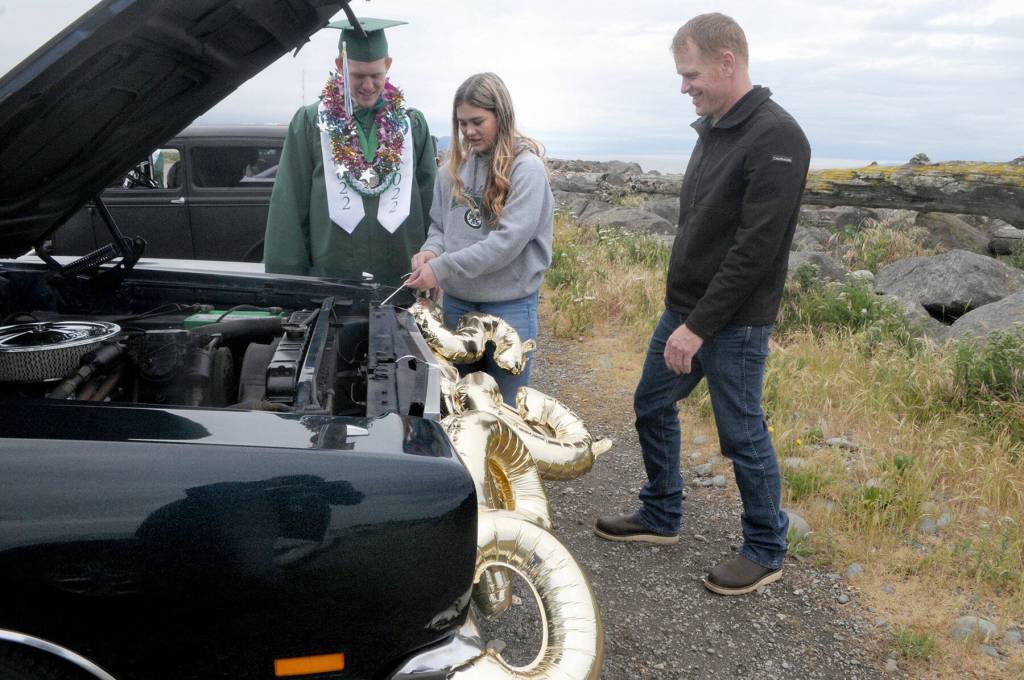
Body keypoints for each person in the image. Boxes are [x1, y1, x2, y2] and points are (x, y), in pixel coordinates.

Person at [593, 13, 810, 596]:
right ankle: (662, 514)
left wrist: (698, 328)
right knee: (651, 404)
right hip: (685, 311)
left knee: (741, 434)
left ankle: (766, 548)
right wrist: (682, 317)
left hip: (732, 324)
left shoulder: (777, 137)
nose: (684, 86)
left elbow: (755, 251)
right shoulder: (716, 126)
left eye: (690, 74)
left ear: (726, 63)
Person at [405, 73, 553, 406]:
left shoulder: (526, 170)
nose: (469, 132)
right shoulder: (451, 170)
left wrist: (441, 268)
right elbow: (440, 228)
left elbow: (506, 244)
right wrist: (430, 253)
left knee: (506, 410)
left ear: (500, 116)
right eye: (462, 123)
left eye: (477, 122)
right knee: (459, 405)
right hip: (458, 305)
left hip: (510, 308)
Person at [263, 18, 436, 288]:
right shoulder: (311, 122)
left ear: (388, 65)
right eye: (358, 75)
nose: (368, 86)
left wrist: (437, 265)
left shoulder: (411, 125)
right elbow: (289, 205)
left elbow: (431, 204)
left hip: (402, 279)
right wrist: (287, 281)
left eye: (375, 75)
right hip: (332, 276)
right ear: (339, 65)